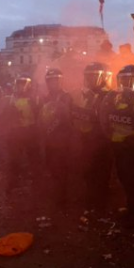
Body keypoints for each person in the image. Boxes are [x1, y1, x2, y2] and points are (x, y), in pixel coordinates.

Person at [100, 65, 134, 226]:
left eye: (129, 80)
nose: (125, 84)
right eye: (122, 80)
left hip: (133, 143)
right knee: (123, 176)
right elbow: (107, 114)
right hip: (118, 142)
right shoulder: (117, 97)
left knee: (132, 177)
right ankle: (131, 206)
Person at [72, 62, 113, 212]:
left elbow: (100, 117)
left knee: (101, 172)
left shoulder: (108, 95)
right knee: (88, 171)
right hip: (87, 139)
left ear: (103, 78)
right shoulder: (86, 94)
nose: (90, 79)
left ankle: (101, 203)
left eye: (94, 76)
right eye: (88, 76)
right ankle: (90, 200)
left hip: (102, 140)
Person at [39, 68, 74, 207]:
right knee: (51, 167)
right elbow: (41, 116)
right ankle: (54, 193)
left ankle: (62, 198)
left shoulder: (66, 97)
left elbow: (69, 118)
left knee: (61, 169)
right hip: (49, 139)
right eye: (50, 81)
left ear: (60, 81)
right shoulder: (45, 97)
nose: (53, 84)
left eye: (55, 81)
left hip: (62, 139)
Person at [3, 74, 39, 191]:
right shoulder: (12, 97)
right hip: (15, 131)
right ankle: (14, 181)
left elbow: (39, 115)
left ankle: (35, 182)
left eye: (23, 84)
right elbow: (6, 115)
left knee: (32, 158)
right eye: (19, 84)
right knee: (14, 158)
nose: (20, 87)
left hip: (29, 131)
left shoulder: (34, 98)